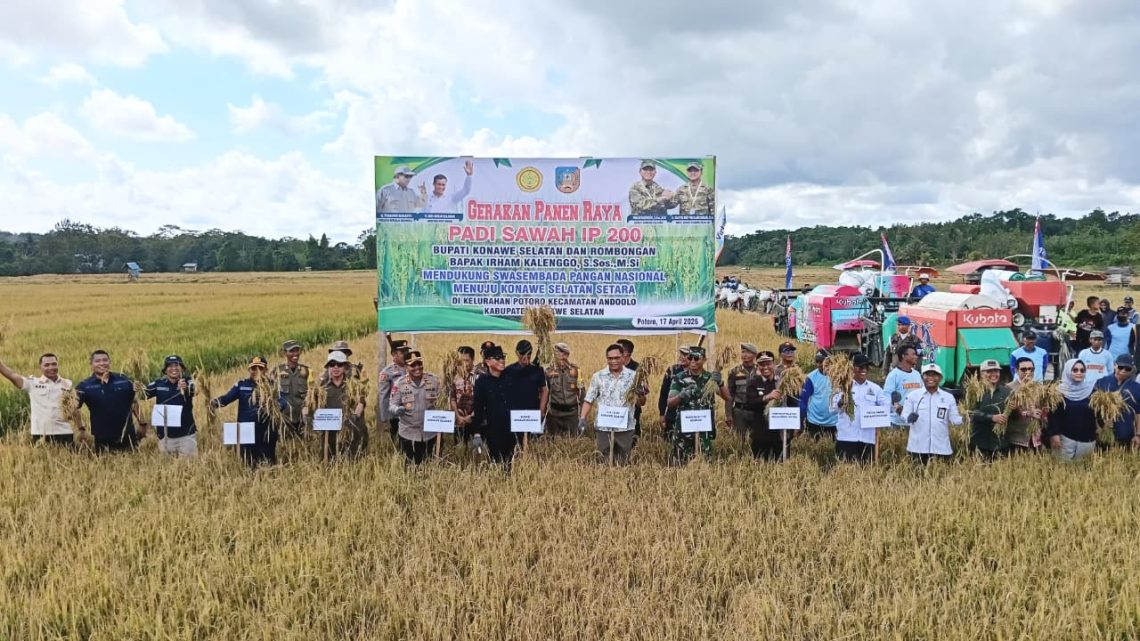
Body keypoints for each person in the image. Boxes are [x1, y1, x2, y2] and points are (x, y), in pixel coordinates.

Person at [579, 344, 644, 465]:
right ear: (606, 358)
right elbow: (589, 399)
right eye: (610, 358)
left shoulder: (634, 376)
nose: (613, 361)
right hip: (604, 428)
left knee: (623, 462)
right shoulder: (598, 376)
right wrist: (583, 417)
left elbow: (641, 403)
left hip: (626, 427)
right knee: (603, 461)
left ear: (623, 357)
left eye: (617, 358)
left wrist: (641, 395)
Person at [666, 346, 729, 464]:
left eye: (696, 358)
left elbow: (727, 397)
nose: (693, 361)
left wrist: (720, 383)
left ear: (704, 360)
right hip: (684, 429)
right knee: (680, 463)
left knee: (704, 462)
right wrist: (681, 396)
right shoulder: (679, 378)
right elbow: (670, 403)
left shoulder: (709, 379)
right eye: (690, 358)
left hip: (704, 429)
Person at [211, 356, 278, 467]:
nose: (256, 371)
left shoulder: (272, 385)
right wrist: (212, 403)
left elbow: (282, 402)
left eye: (260, 368)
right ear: (249, 370)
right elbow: (226, 399)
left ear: (266, 370)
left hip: (266, 432)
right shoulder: (241, 385)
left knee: (268, 463)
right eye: (253, 368)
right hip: (246, 432)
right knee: (248, 464)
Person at [75, 350, 144, 452]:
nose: (102, 363)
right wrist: (81, 428)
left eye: (105, 360)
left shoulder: (123, 379)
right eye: (97, 361)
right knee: (106, 465)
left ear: (109, 362)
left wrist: (142, 423)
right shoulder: (85, 385)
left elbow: (134, 402)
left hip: (128, 435)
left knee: (132, 465)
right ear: (91, 364)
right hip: (102, 437)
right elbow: (74, 407)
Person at [0, 352, 74, 444]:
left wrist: (81, 428)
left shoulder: (68, 383)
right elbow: (12, 375)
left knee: (67, 458)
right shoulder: (33, 383)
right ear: (40, 367)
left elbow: (74, 408)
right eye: (46, 365)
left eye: (54, 364)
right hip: (41, 434)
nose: (51, 367)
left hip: (65, 432)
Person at [902, 363, 963, 464]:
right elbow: (904, 416)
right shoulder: (913, 396)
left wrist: (967, 418)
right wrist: (909, 418)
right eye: (927, 375)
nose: (931, 378)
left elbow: (955, 420)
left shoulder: (948, 397)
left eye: (934, 375)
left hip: (941, 449)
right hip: (917, 448)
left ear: (940, 378)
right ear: (922, 377)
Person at [834, 353, 888, 463]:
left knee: (867, 473)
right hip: (847, 438)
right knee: (846, 473)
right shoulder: (842, 387)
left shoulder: (875, 388)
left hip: (868, 438)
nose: (864, 370)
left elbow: (886, 406)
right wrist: (841, 402)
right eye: (861, 367)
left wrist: (879, 415)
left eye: (867, 367)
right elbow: (831, 409)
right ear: (853, 368)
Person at [389, 350, 441, 464]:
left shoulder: (433, 380)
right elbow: (392, 404)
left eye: (419, 364)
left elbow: (442, 401)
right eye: (413, 365)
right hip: (409, 433)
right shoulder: (400, 383)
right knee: (411, 468)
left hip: (430, 434)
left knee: (430, 465)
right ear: (407, 367)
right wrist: (397, 410)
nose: (417, 367)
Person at [142, 355, 198, 458]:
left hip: (186, 437)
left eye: (177, 365)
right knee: (167, 470)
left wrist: (184, 389)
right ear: (165, 370)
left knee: (189, 470)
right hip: (165, 437)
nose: (174, 368)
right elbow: (143, 394)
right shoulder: (158, 384)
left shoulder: (188, 381)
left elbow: (195, 390)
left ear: (182, 368)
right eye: (170, 366)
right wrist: (137, 387)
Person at [317, 350, 367, 460]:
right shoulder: (322, 386)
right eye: (332, 364)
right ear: (328, 367)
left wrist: (355, 416)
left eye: (339, 364)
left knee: (349, 459)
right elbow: (312, 404)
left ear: (344, 367)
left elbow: (361, 403)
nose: (335, 367)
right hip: (329, 431)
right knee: (329, 459)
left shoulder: (353, 385)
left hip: (349, 428)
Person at [471, 345, 515, 467]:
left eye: (503, 357)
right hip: (493, 431)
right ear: (488, 361)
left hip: (512, 430)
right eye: (497, 358)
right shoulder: (482, 382)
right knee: (495, 463)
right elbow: (478, 408)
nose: (502, 360)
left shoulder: (511, 377)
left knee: (511, 463)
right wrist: (477, 433)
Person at [1047, 358, 1097, 461]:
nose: (1079, 373)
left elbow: (1098, 413)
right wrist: (1054, 434)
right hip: (1065, 438)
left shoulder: (1092, 391)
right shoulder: (1058, 391)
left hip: (1086, 439)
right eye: (1075, 370)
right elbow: (1053, 415)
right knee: (1062, 471)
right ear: (1068, 371)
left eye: (1082, 370)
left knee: (1083, 471)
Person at [1093, 354, 1140, 449]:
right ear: (1115, 365)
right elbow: (1092, 408)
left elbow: (1139, 413)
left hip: (1126, 438)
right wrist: (1097, 428)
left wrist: (1138, 435)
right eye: (1121, 367)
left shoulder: (1137, 388)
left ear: (1132, 370)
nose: (1123, 371)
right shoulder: (1101, 382)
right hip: (1102, 436)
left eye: (1127, 369)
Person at [742, 350, 782, 461]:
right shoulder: (753, 382)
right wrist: (766, 397)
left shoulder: (782, 382)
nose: (765, 367)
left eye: (768, 363)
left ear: (774, 364)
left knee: (780, 462)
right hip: (761, 431)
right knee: (760, 462)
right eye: (762, 364)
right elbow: (749, 404)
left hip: (779, 432)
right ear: (757, 366)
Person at [967, 360, 1011, 461]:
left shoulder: (1007, 392)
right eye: (989, 371)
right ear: (981, 373)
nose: (993, 374)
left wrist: (1014, 409)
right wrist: (992, 418)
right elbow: (970, 412)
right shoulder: (973, 391)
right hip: (979, 443)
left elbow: (1013, 416)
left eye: (996, 371)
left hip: (1001, 444)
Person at [1005, 357, 1044, 453]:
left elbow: (1043, 408)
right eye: (1024, 369)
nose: (1028, 372)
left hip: (1036, 439)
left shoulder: (1039, 387)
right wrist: (1029, 413)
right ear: (1016, 371)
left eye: (1031, 369)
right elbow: (1007, 414)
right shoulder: (1009, 388)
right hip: (1018, 439)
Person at [798, 349, 838, 439]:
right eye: (817, 361)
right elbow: (803, 400)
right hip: (814, 423)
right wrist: (801, 421)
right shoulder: (811, 378)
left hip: (834, 423)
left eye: (822, 361)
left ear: (829, 361)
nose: (819, 364)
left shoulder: (838, 377)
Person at [504, 340, 548, 422]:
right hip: (515, 413)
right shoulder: (509, 370)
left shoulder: (537, 370)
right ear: (517, 353)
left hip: (533, 413)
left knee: (532, 435)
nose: (525, 357)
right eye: (522, 354)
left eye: (529, 354)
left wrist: (541, 410)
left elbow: (544, 390)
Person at [544, 342, 581, 436]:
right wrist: (543, 413)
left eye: (564, 353)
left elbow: (582, 393)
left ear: (568, 355)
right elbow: (544, 394)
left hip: (572, 415)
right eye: (558, 353)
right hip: (554, 416)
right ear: (554, 355)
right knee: (554, 443)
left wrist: (582, 416)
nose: (561, 356)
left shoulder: (576, 370)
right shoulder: (548, 371)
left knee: (573, 443)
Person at [275, 340, 310, 438]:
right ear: (285, 353)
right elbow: (270, 395)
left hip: (303, 420)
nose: (295, 354)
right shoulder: (277, 371)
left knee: (305, 449)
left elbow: (313, 393)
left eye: (297, 350)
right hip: (284, 421)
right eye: (291, 351)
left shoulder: (307, 371)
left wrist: (308, 407)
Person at [725, 343, 759, 441]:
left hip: (756, 411)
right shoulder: (734, 371)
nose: (744, 355)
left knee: (757, 439)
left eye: (748, 352)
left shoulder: (760, 370)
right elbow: (729, 394)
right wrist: (728, 414)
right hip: (740, 411)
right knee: (740, 440)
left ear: (754, 355)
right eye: (743, 352)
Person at [378, 339, 410, 444]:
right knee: (398, 442)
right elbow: (383, 396)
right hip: (396, 415)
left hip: (411, 412)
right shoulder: (387, 372)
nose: (406, 354)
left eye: (407, 351)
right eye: (403, 352)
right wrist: (385, 419)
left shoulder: (411, 367)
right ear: (394, 354)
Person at [883, 344, 923, 428]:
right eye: (913, 354)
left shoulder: (917, 374)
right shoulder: (893, 375)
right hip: (897, 424)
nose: (916, 357)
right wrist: (897, 408)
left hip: (915, 423)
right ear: (903, 356)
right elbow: (886, 397)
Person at [615, 338, 643, 437]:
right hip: (615, 413)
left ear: (626, 353)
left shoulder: (638, 369)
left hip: (631, 413)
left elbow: (642, 400)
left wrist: (638, 393)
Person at [658, 347, 690, 431]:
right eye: (681, 354)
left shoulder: (696, 371)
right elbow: (664, 393)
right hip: (672, 415)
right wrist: (662, 414)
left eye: (686, 355)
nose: (682, 357)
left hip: (689, 415)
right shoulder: (672, 370)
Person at [449, 346, 476, 443]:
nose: (464, 364)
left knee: (476, 451)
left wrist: (471, 417)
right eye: (461, 361)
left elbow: (482, 400)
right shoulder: (455, 376)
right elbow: (452, 398)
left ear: (473, 359)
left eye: (467, 360)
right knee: (459, 449)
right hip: (459, 422)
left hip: (475, 423)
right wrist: (458, 416)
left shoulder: (480, 376)